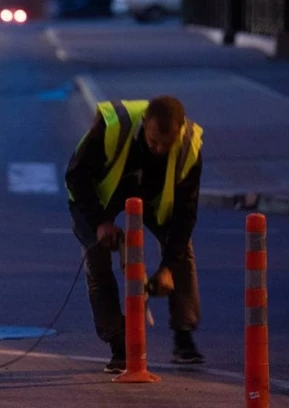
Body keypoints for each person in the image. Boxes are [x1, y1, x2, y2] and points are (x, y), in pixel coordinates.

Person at [65, 95, 205, 374]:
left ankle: (183, 336)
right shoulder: (112, 127)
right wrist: (101, 222)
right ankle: (118, 344)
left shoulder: (189, 146)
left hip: (152, 198)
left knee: (182, 253)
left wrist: (167, 268)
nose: (159, 150)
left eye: (167, 145)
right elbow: (75, 175)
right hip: (99, 197)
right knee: (97, 262)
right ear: (144, 125)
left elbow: (185, 214)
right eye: (153, 142)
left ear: (178, 132)